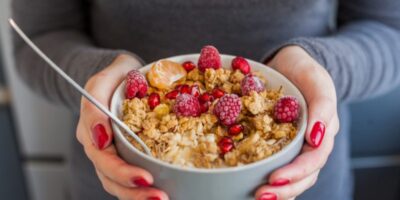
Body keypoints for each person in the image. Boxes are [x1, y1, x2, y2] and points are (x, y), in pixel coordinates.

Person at [11, 0, 400, 199]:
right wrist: (104, 75)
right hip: (120, 175)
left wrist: (318, 66)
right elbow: (41, 36)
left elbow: (388, 30)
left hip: (297, 184)